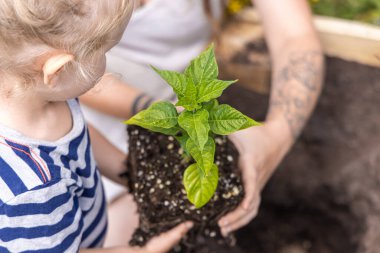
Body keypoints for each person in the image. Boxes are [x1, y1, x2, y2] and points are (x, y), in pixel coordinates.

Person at [80, 0, 324, 245]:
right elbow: (66, 62)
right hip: (100, 133)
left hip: (187, 109)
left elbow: (295, 36)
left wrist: (276, 135)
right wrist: (154, 109)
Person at [0, 0, 192, 252]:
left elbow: (79, 135)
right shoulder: (34, 190)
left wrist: (133, 174)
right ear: (59, 70)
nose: (107, 60)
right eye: (103, 52)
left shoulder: (41, 96)